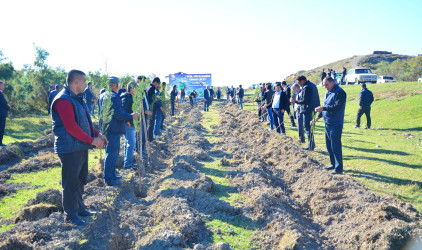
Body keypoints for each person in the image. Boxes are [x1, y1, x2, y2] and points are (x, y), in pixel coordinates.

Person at [51, 70, 107, 226]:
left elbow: (86, 123)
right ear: (76, 82)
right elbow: (71, 127)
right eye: (84, 81)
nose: (86, 84)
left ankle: (80, 208)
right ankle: (71, 215)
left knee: (80, 179)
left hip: (80, 146)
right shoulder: (63, 100)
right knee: (70, 182)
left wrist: (98, 134)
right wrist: (92, 140)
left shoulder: (78, 99)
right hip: (69, 148)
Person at [100, 76, 138, 186]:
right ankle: (109, 179)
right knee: (111, 153)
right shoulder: (114, 97)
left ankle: (112, 174)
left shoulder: (102, 95)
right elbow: (118, 114)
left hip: (107, 128)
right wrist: (131, 116)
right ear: (116, 85)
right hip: (113, 129)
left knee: (113, 153)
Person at [313, 77, 347, 174]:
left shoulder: (340, 92)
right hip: (327, 122)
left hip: (335, 123)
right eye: (324, 85)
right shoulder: (327, 92)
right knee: (329, 145)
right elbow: (325, 106)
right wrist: (318, 117)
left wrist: (323, 108)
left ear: (332, 82)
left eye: (326, 85)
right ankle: (333, 163)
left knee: (335, 145)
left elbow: (337, 107)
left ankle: (339, 168)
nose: (325, 87)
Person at [290, 76, 320, 151]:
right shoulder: (312, 85)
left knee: (307, 127)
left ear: (303, 80)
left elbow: (305, 101)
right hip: (313, 108)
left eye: (299, 82)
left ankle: (311, 145)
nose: (299, 84)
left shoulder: (307, 87)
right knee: (309, 127)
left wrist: (295, 101)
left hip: (308, 110)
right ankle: (311, 144)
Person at [120, 81, 138, 170]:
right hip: (128, 123)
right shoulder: (127, 98)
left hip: (130, 122)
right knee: (131, 142)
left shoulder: (130, 97)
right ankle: (128, 164)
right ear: (131, 89)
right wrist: (128, 120)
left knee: (128, 142)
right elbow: (123, 110)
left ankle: (127, 163)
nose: (137, 90)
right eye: (136, 88)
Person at [146, 77, 160, 141]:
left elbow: (150, 97)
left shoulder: (148, 87)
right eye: (157, 84)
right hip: (150, 109)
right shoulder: (151, 88)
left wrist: (155, 97)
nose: (157, 85)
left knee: (149, 124)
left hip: (147, 108)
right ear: (155, 82)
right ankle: (150, 138)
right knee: (151, 124)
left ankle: (149, 137)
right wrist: (160, 106)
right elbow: (152, 100)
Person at [0, 81, 11, 147]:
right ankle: (0, 142)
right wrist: (9, 107)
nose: (4, 87)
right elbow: (4, 104)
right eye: (3, 85)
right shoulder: (0, 94)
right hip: (1, 115)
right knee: (1, 129)